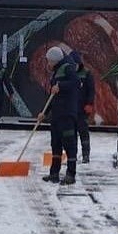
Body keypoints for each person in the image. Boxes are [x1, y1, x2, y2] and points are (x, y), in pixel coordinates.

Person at [42, 46, 79, 186]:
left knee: (69, 145)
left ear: (55, 60)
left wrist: (61, 86)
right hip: (57, 115)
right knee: (55, 144)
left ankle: (71, 174)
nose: (48, 64)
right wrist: (44, 113)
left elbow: (76, 83)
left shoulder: (68, 68)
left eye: (49, 61)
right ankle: (54, 173)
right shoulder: (55, 73)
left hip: (67, 114)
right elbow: (52, 97)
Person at [67, 49, 95, 163]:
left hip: (82, 109)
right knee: (71, 135)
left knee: (83, 133)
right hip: (71, 109)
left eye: (75, 64)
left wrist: (89, 103)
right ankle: (72, 155)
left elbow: (91, 90)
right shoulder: (69, 74)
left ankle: (86, 155)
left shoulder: (86, 74)